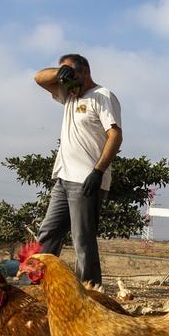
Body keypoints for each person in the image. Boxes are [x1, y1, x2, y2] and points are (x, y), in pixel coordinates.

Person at [32, 54, 122, 286]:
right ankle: (36, 289)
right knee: (48, 234)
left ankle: (90, 296)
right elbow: (39, 78)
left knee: (83, 241)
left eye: (73, 76)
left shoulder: (102, 97)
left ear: (85, 72)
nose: (68, 85)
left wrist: (98, 171)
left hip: (86, 180)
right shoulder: (69, 94)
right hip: (63, 178)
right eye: (65, 78)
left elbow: (115, 135)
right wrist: (60, 74)